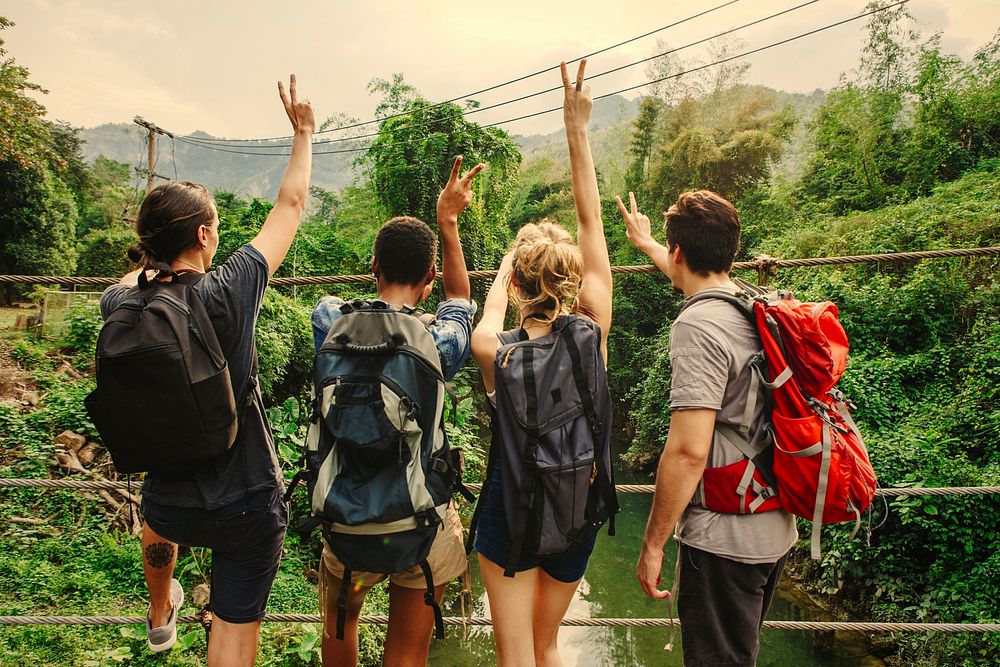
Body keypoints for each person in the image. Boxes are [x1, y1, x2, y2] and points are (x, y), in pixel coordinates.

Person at [99, 76, 314, 667]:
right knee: (235, 634)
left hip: (168, 503)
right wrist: (304, 134)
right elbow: (289, 204)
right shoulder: (230, 289)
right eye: (215, 226)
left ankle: (159, 609)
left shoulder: (122, 305)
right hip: (246, 500)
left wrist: (150, 259)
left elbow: (129, 281)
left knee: (156, 518)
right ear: (202, 234)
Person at [311, 155, 484, 666]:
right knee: (406, 656)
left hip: (345, 519)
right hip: (419, 522)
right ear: (428, 275)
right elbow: (460, 297)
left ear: (373, 266)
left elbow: (329, 304)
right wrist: (447, 221)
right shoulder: (437, 342)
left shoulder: (328, 323)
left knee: (341, 629)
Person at [470, 60, 613, 667]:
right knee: (549, 640)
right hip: (578, 501)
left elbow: (485, 319)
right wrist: (576, 130)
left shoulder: (495, 352)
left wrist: (502, 276)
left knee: (516, 652)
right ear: (574, 282)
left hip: (513, 504)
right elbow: (592, 222)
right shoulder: (593, 332)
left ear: (518, 282)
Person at [619, 189, 798, 666]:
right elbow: (693, 276)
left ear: (681, 253)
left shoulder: (698, 327)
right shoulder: (753, 304)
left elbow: (687, 452)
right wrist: (648, 244)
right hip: (774, 528)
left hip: (724, 542)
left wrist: (653, 543)